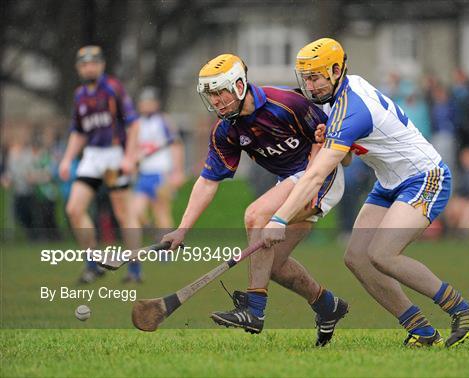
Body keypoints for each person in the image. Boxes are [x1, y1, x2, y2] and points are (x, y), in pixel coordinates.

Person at [262, 38, 469, 348]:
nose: (309, 86)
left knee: (382, 254)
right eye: (305, 78)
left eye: (315, 77)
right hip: (390, 182)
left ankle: (461, 309)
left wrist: (279, 219)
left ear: (336, 70)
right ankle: (421, 330)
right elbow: (349, 157)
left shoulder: (352, 107)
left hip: (424, 177)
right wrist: (333, 138)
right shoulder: (340, 95)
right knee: (357, 257)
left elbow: (315, 176)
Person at [162, 54, 348, 346]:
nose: (216, 101)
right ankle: (327, 305)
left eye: (220, 92)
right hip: (287, 183)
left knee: (255, 215)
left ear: (239, 85)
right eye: (211, 96)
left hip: (320, 176)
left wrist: (311, 181)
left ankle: (253, 310)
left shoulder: (287, 102)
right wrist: (182, 229)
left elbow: (331, 138)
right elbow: (208, 181)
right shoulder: (226, 130)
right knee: (271, 264)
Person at [58, 45, 142, 283]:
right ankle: (93, 264)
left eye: (93, 62)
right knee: (74, 209)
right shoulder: (80, 95)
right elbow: (79, 132)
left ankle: (134, 268)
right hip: (92, 157)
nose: (89, 67)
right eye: (84, 64)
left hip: (113, 157)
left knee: (123, 213)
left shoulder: (113, 88)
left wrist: (129, 156)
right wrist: (66, 159)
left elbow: (133, 124)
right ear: (78, 68)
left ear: (102, 64)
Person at [133, 87, 185, 230]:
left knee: (162, 213)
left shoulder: (163, 121)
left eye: (150, 101)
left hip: (161, 172)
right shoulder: (137, 124)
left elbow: (176, 145)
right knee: (136, 212)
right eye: (144, 102)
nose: (146, 105)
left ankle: (165, 250)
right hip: (144, 173)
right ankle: (155, 234)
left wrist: (178, 171)